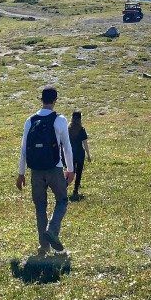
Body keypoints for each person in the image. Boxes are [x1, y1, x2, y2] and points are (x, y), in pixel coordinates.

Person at [16, 87, 74, 255]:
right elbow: (67, 147)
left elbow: (24, 149)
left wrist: (21, 173)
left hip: (36, 171)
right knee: (62, 200)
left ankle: (43, 246)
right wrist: (70, 169)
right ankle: (52, 230)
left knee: (40, 207)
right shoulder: (59, 119)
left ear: (41, 99)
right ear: (55, 100)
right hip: (55, 168)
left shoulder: (30, 120)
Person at [69, 111, 91, 201]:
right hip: (80, 153)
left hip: (71, 153)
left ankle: (64, 185)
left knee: (71, 171)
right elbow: (85, 143)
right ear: (80, 119)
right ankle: (76, 189)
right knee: (79, 172)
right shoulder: (81, 129)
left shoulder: (68, 129)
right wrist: (88, 155)